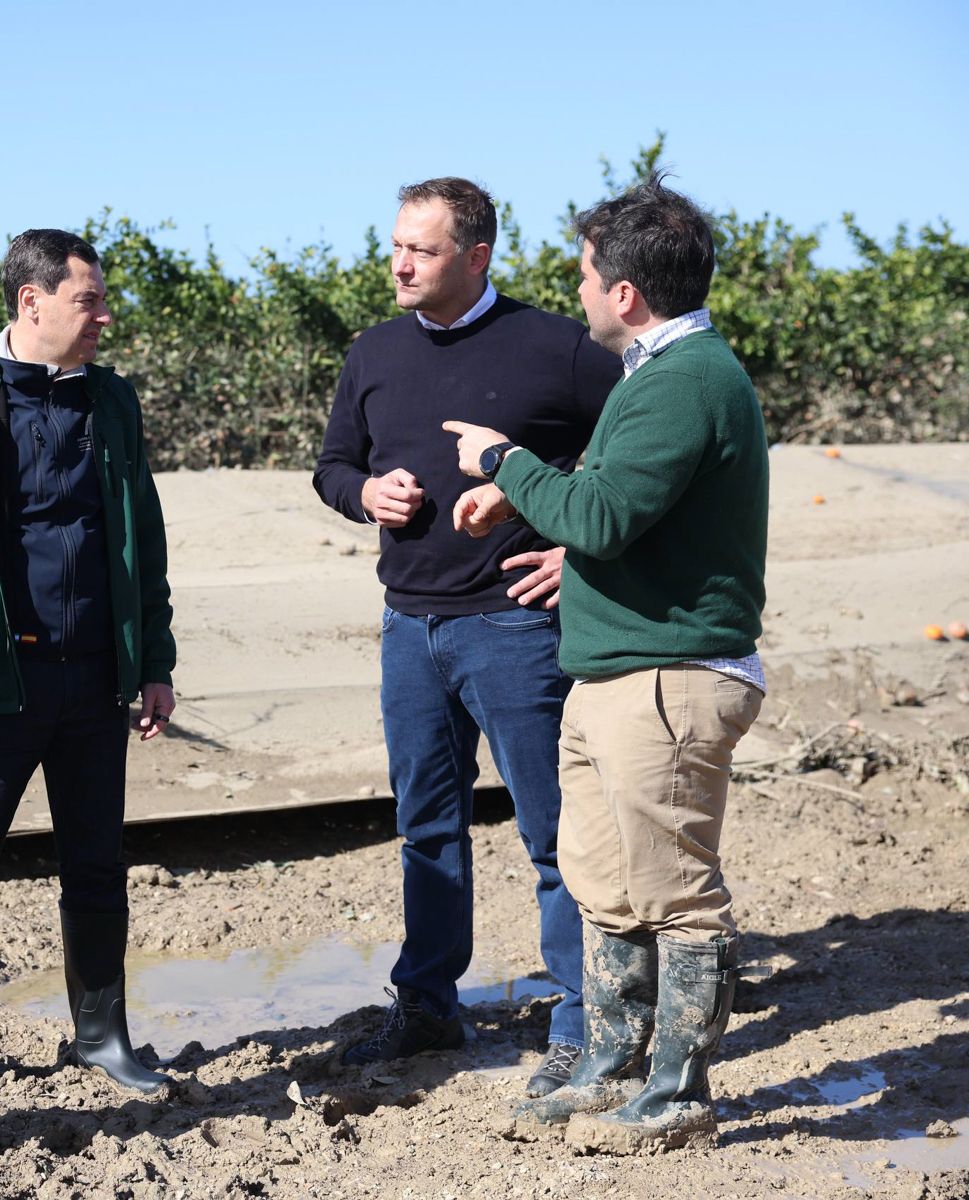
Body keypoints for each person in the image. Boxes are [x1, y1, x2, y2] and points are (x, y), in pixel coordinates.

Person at [444, 173, 769, 1154]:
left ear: (623, 291)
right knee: (605, 881)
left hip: (670, 678)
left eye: (587, 276)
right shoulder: (659, 378)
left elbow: (604, 513)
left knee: (673, 888)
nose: (579, 292)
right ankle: (613, 1065)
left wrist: (507, 466)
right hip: (622, 672)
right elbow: (617, 517)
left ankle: (675, 1092)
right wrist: (555, 530)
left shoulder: (684, 381)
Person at [312, 178, 621, 1096]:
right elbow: (332, 465)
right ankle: (427, 1010)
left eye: (423, 249)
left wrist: (574, 547)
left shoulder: (556, 347)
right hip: (408, 627)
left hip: (515, 627)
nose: (400, 263)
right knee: (424, 829)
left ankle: (579, 1022)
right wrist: (362, 494)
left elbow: (638, 457)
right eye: (396, 245)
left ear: (477, 255)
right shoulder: (371, 351)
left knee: (552, 837)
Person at [0, 228, 177, 1109]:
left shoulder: (112, 402)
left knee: (97, 862)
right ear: (31, 302)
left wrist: (153, 659)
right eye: (87, 300)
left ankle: (101, 1035)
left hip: (95, 679)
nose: (102, 316)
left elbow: (145, 538)